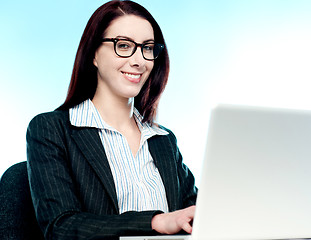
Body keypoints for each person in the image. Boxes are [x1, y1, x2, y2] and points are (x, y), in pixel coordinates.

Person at [26, 1, 198, 239]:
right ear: (94, 54)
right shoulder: (52, 130)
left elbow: (194, 212)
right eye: (124, 45)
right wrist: (155, 222)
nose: (139, 60)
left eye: (147, 48)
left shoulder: (163, 140)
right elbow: (61, 227)